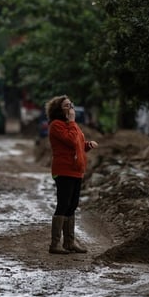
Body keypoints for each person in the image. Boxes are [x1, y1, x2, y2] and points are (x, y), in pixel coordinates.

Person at [45, 95, 98, 254]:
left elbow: (78, 145)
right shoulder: (56, 125)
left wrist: (87, 145)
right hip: (64, 169)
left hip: (76, 169)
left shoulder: (71, 125)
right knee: (63, 203)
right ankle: (55, 244)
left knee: (73, 205)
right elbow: (70, 140)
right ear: (59, 109)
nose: (70, 108)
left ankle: (69, 242)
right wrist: (72, 121)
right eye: (66, 105)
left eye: (71, 104)